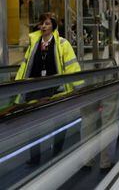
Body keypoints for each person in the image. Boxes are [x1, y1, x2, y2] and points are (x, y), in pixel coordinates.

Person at [15, 12, 81, 165]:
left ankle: (57, 153)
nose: (43, 26)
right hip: (35, 89)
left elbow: (72, 65)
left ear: (53, 26)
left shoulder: (62, 44)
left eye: (47, 23)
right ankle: (35, 158)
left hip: (55, 89)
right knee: (33, 125)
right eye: (42, 23)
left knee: (59, 121)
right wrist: (17, 85)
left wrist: (79, 86)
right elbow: (25, 67)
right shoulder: (34, 44)